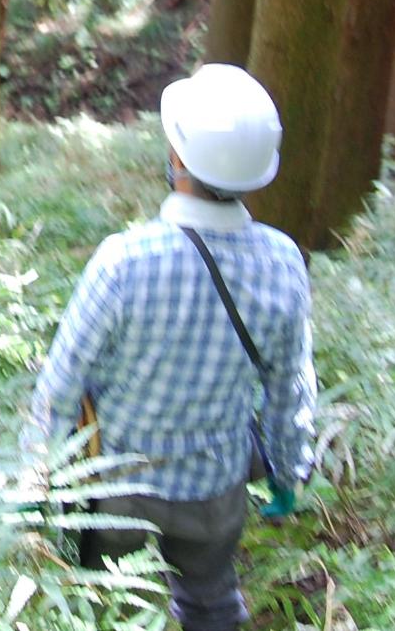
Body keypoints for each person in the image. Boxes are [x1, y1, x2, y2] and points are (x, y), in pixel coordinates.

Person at [27, 63, 315, 631]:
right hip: (216, 490)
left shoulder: (124, 259)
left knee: (109, 611)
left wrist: (38, 484)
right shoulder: (283, 261)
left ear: (179, 162)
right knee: (211, 604)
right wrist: (287, 472)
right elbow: (289, 387)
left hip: (118, 493)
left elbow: (59, 387)